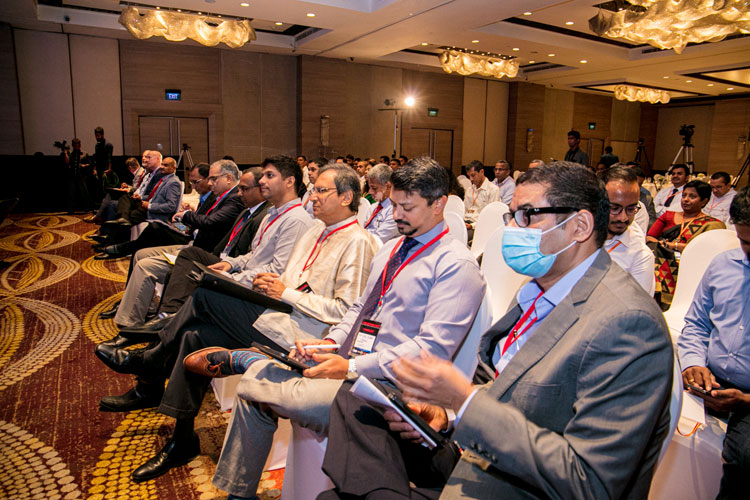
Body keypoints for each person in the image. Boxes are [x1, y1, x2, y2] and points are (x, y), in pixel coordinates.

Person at [319, 161, 673, 500]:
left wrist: (466, 403)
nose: (512, 229)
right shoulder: (538, 290)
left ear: (580, 226)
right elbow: (512, 385)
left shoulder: (627, 323)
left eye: (527, 216)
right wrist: (449, 415)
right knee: (356, 401)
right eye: (511, 215)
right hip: (477, 451)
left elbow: (589, 482)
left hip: (520, 484)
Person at [183, 157, 485, 499]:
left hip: (391, 390)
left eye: (408, 207)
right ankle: (239, 494)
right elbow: (359, 309)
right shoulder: (392, 248)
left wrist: (352, 366)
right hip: (354, 365)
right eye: (394, 205)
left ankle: (250, 361)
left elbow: (430, 352)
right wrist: (328, 344)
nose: (397, 215)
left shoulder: (455, 265)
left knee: (258, 383)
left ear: (439, 204)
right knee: (259, 386)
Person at [98, 163, 380, 483]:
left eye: (321, 191)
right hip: (277, 315)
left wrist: (286, 292)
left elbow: (344, 311)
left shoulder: (358, 241)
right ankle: (182, 440)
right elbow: (292, 281)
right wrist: (273, 283)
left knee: (206, 294)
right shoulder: (316, 229)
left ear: (346, 197)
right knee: (194, 336)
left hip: (304, 336)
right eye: (313, 189)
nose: (312, 196)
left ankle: (151, 359)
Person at [677, 186, 750, 500]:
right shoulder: (723, 264)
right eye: (745, 242)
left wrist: (746, 400)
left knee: (745, 458)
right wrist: (694, 363)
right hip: (710, 379)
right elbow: (696, 324)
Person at [96, 160, 245, 260]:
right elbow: (197, 222)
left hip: (195, 242)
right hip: (189, 232)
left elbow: (208, 222)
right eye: (191, 182)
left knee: (154, 228)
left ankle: (121, 248)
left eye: (196, 182)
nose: (193, 187)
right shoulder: (211, 197)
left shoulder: (223, 198)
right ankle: (117, 243)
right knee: (127, 207)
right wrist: (184, 218)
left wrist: (186, 215)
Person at [648, 179, 725, 307]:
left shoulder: (712, 224)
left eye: (692, 196)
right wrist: (663, 247)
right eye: (684, 195)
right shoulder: (668, 216)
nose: (686, 200)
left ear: (704, 201)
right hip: (662, 259)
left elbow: (704, 251)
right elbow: (650, 237)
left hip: (689, 266)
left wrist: (674, 246)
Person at [602, 166, 655, 294]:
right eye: (614, 208)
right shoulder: (577, 236)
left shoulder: (640, 256)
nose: (623, 218)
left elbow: (635, 304)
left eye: (631, 209)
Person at [363, 163, 399, 243]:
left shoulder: (395, 209)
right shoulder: (374, 207)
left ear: (388, 186)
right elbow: (363, 231)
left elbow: (378, 240)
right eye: (369, 187)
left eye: (374, 188)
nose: (370, 192)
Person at [463, 161, 500, 231]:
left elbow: (491, 216)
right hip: (466, 222)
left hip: (480, 226)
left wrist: (472, 226)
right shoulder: (469, 190)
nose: (471, 179)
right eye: (469, 176)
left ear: (482, 172)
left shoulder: (493, 190)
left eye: (473, 175)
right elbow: (464, 210)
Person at [61, 138, 91, 213]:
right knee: (71, 192)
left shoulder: (84, 154)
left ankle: (86, 208)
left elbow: (89, 164)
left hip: (81, 175)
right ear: (73, 146)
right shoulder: (70, 153)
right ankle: (71, 209)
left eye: (78, 145)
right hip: (72, 175)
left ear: (80, 145)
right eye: (75, 145)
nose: (76, 147)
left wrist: (84, 165)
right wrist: (65, 152)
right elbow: (67, 162)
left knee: (84, 192)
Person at [629, 163, 657, 228]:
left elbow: (652, 221)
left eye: (639, 185)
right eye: (634, 184)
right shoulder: (617, 196)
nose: (637, 188)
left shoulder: (647, 199)